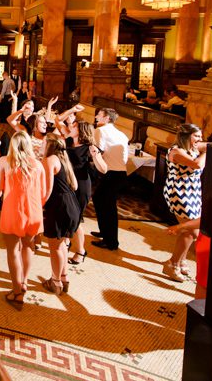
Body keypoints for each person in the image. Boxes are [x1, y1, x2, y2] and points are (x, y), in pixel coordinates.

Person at [0, 131, 47, 304]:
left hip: (13, 209)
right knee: (28, 245)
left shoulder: (4, 162)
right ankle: (24, 281)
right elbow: (44, 192)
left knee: (12, 252)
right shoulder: (39, 165)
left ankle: (17, 291)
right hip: (33, 210)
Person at [161, 123, 206, 282]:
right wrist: (206, 152)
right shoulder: (176, 151)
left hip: (193, 191)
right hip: (179, 192)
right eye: (196, 136)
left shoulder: (194, 149)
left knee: (189, 231)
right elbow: (197, 165)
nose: (199, 139)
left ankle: (180, 260)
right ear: (186, 136)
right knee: (192, 231)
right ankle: (172, 264)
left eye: (201, 136)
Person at [41, 136, 82, 295]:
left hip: (59, 206)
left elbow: (48, 189)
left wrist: (40, 206)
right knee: (63, 243)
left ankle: (55, 281)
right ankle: (63, 278)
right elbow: (75, 185)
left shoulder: (50, 160)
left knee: (55, 246)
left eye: (44, 142)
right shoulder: (63, 159)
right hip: (71, 204)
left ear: (49, 145)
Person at [67, 121, 107, 265]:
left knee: (76, 219)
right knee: (66, 215)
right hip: (66, 184)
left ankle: (80, 252)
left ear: (81, 130)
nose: (71, 127)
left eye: (74, 126)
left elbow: (103, 169)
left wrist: (96, 156)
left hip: (81, 185)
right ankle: (66, 243)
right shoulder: (68, 142)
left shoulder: (89, 148)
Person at [89, 107, 128, 251]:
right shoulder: (122, 134)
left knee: (108, 208)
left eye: (99, 115)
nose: (96, 117)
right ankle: (105, 232)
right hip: (120, 173)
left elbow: (97, 151)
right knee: (100, 200)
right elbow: (124, 157)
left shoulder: (100, 131)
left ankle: (111, 242)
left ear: (107, 118)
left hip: (111, 173)